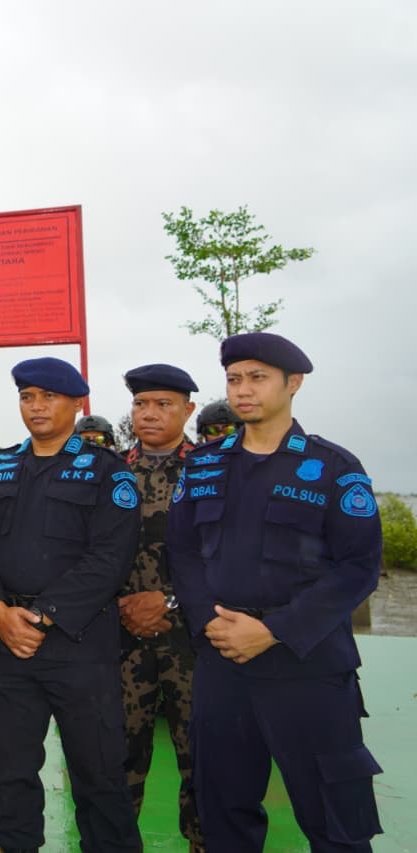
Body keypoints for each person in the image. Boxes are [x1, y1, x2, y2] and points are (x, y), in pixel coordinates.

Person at [165, 332, 383, 851]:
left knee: (335, 820)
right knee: (223, 811)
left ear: (293, 383)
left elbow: (358, 568)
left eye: (258, 378)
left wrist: (274, 630)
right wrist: (208, 621)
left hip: (306, 665)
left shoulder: (333, 468)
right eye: (234, 379)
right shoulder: (203, 464)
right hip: (223, 661)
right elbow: (183, 552)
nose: (243, 390)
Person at [0, 357, 141, 853]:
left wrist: (41, 617)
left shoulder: (108, 471)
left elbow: (110, 558)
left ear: (77, 403)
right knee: (7, 772)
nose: (36, 407)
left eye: (49, 397)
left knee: (99, 773)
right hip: (7, 642)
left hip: (80, 644)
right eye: (27, 397)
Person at [117, 363, 204, 851]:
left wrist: (170, 599)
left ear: (187, 410)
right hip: (120, 638)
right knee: (117, 758)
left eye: (163, 404)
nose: (149, 414)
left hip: (193, 639)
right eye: (141, 404)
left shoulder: (211, 470)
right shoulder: (110, 471)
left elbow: (225, 553)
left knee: (202, 758)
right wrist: (121, 605)